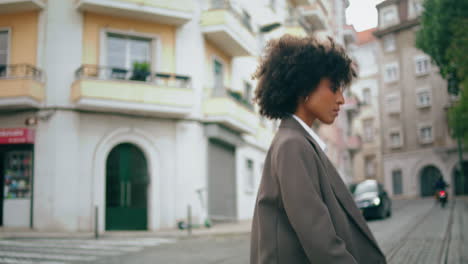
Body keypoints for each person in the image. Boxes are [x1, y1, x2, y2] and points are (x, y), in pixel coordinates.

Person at [250, 35, 386, 264]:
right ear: (305, 87)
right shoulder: (292, 145)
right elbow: (319, 239)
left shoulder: (298, 141)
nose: (341, 99)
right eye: (334, 88)